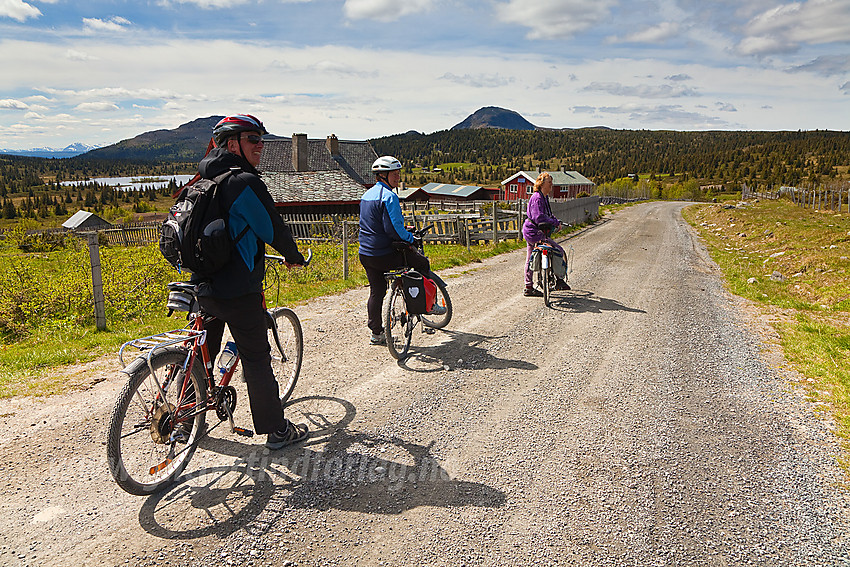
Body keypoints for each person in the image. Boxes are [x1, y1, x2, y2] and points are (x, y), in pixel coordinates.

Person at [191, 114, 309, 450]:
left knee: (203, 351)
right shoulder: (242, 181)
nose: (261, 145)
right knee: (256, 357)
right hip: (238, 288)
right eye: (253, 139)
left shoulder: (202, 178)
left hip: (202, 283)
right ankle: (278, 431)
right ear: (233, 144)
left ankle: (183, 418)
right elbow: (271, 226)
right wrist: (293, 255)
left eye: (261, 139)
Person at [358, 156, 444, 345]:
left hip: (366, 253)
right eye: (394, 174)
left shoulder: (366, 195)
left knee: (377, 291)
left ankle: (376, 333)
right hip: (385, 254)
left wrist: (403, 232)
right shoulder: (389, 197)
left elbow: (376, 226)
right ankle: (428, 305)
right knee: (421, 263)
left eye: (398, 173)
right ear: (382, 175)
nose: (398, 177)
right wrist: (410, 238)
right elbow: (393, 229)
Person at [522, 171, 570, 296]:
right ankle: (559, 280)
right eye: (549, 182)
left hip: (535, 231)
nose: (551, 185)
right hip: (534, 232)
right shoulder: (538, 198)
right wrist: (555, 223)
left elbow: (548, 215)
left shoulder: (543, 197)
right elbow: (539, 218)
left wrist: (555, 221)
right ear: (542, 184)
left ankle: (529, 286)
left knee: (530, 256)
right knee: (557, 250)